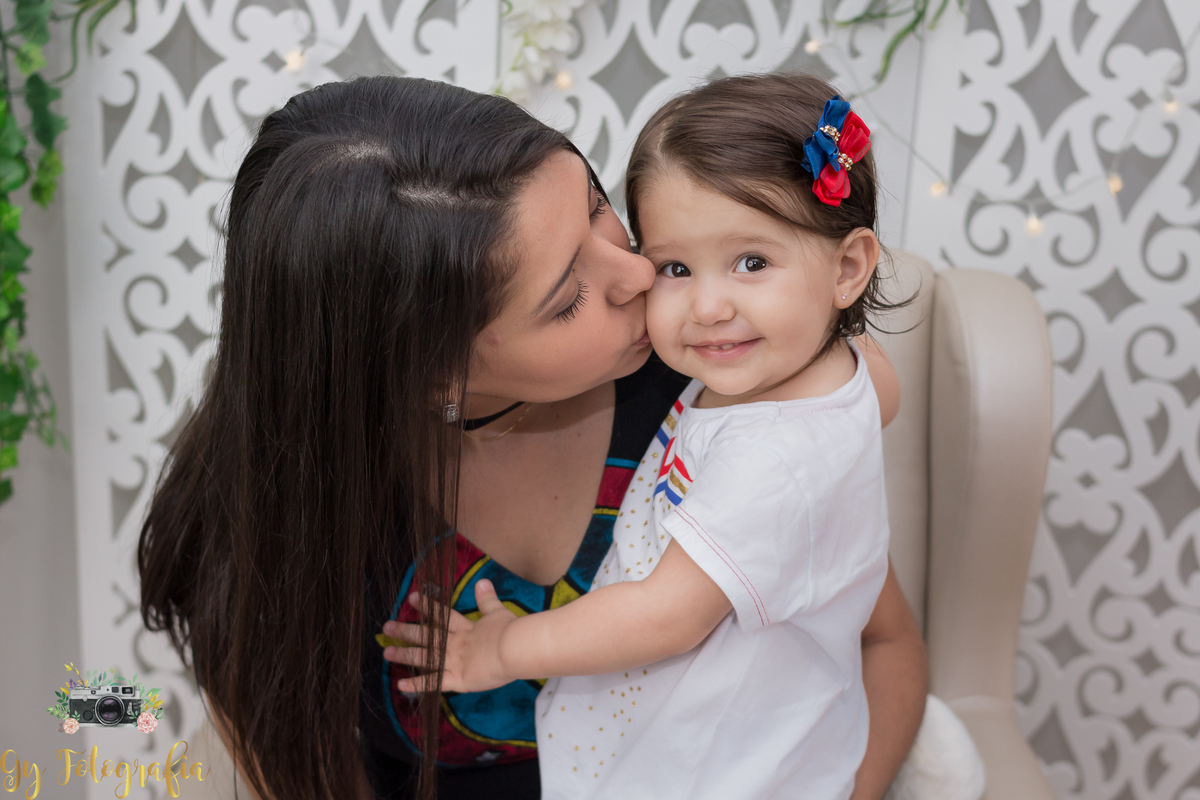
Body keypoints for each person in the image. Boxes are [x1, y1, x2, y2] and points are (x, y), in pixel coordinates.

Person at [137, 75, 927, 800]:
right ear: (429, 371)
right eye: (566, 297)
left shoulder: (710, 386)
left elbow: (881, 642)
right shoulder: (289, 517)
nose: (639, 274)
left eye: (594, 207)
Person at [389, 74, 901, 800]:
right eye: (676, 266)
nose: (709, 306)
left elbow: (669, 615)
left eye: (752, 262)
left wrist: (506, 648)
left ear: (850, 266)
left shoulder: (775, 456)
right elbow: (878, 386)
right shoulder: (796, 375)